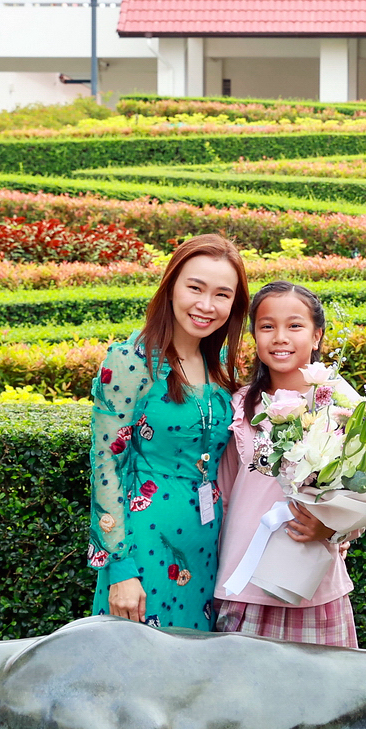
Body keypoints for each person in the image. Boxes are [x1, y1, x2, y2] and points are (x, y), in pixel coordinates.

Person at [214, 281, 357, 729]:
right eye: (267, 326)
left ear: (317, 335)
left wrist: (333, 525)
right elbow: (222, 486)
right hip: (247, 581)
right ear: (253, 335)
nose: (281, 338)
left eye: (294, 326)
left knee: (318, 715)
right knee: (250, 717)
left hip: (312, 582)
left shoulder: (341, 402)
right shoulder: (237, 404)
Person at [88, 234, 248, 629]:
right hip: (145, 544)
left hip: (209, 543)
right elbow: (106, 464)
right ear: (171, 285)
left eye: (222, 295)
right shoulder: (130, 361)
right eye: (195, 287)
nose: (206, 305)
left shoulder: (222, 363)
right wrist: (120, 566)